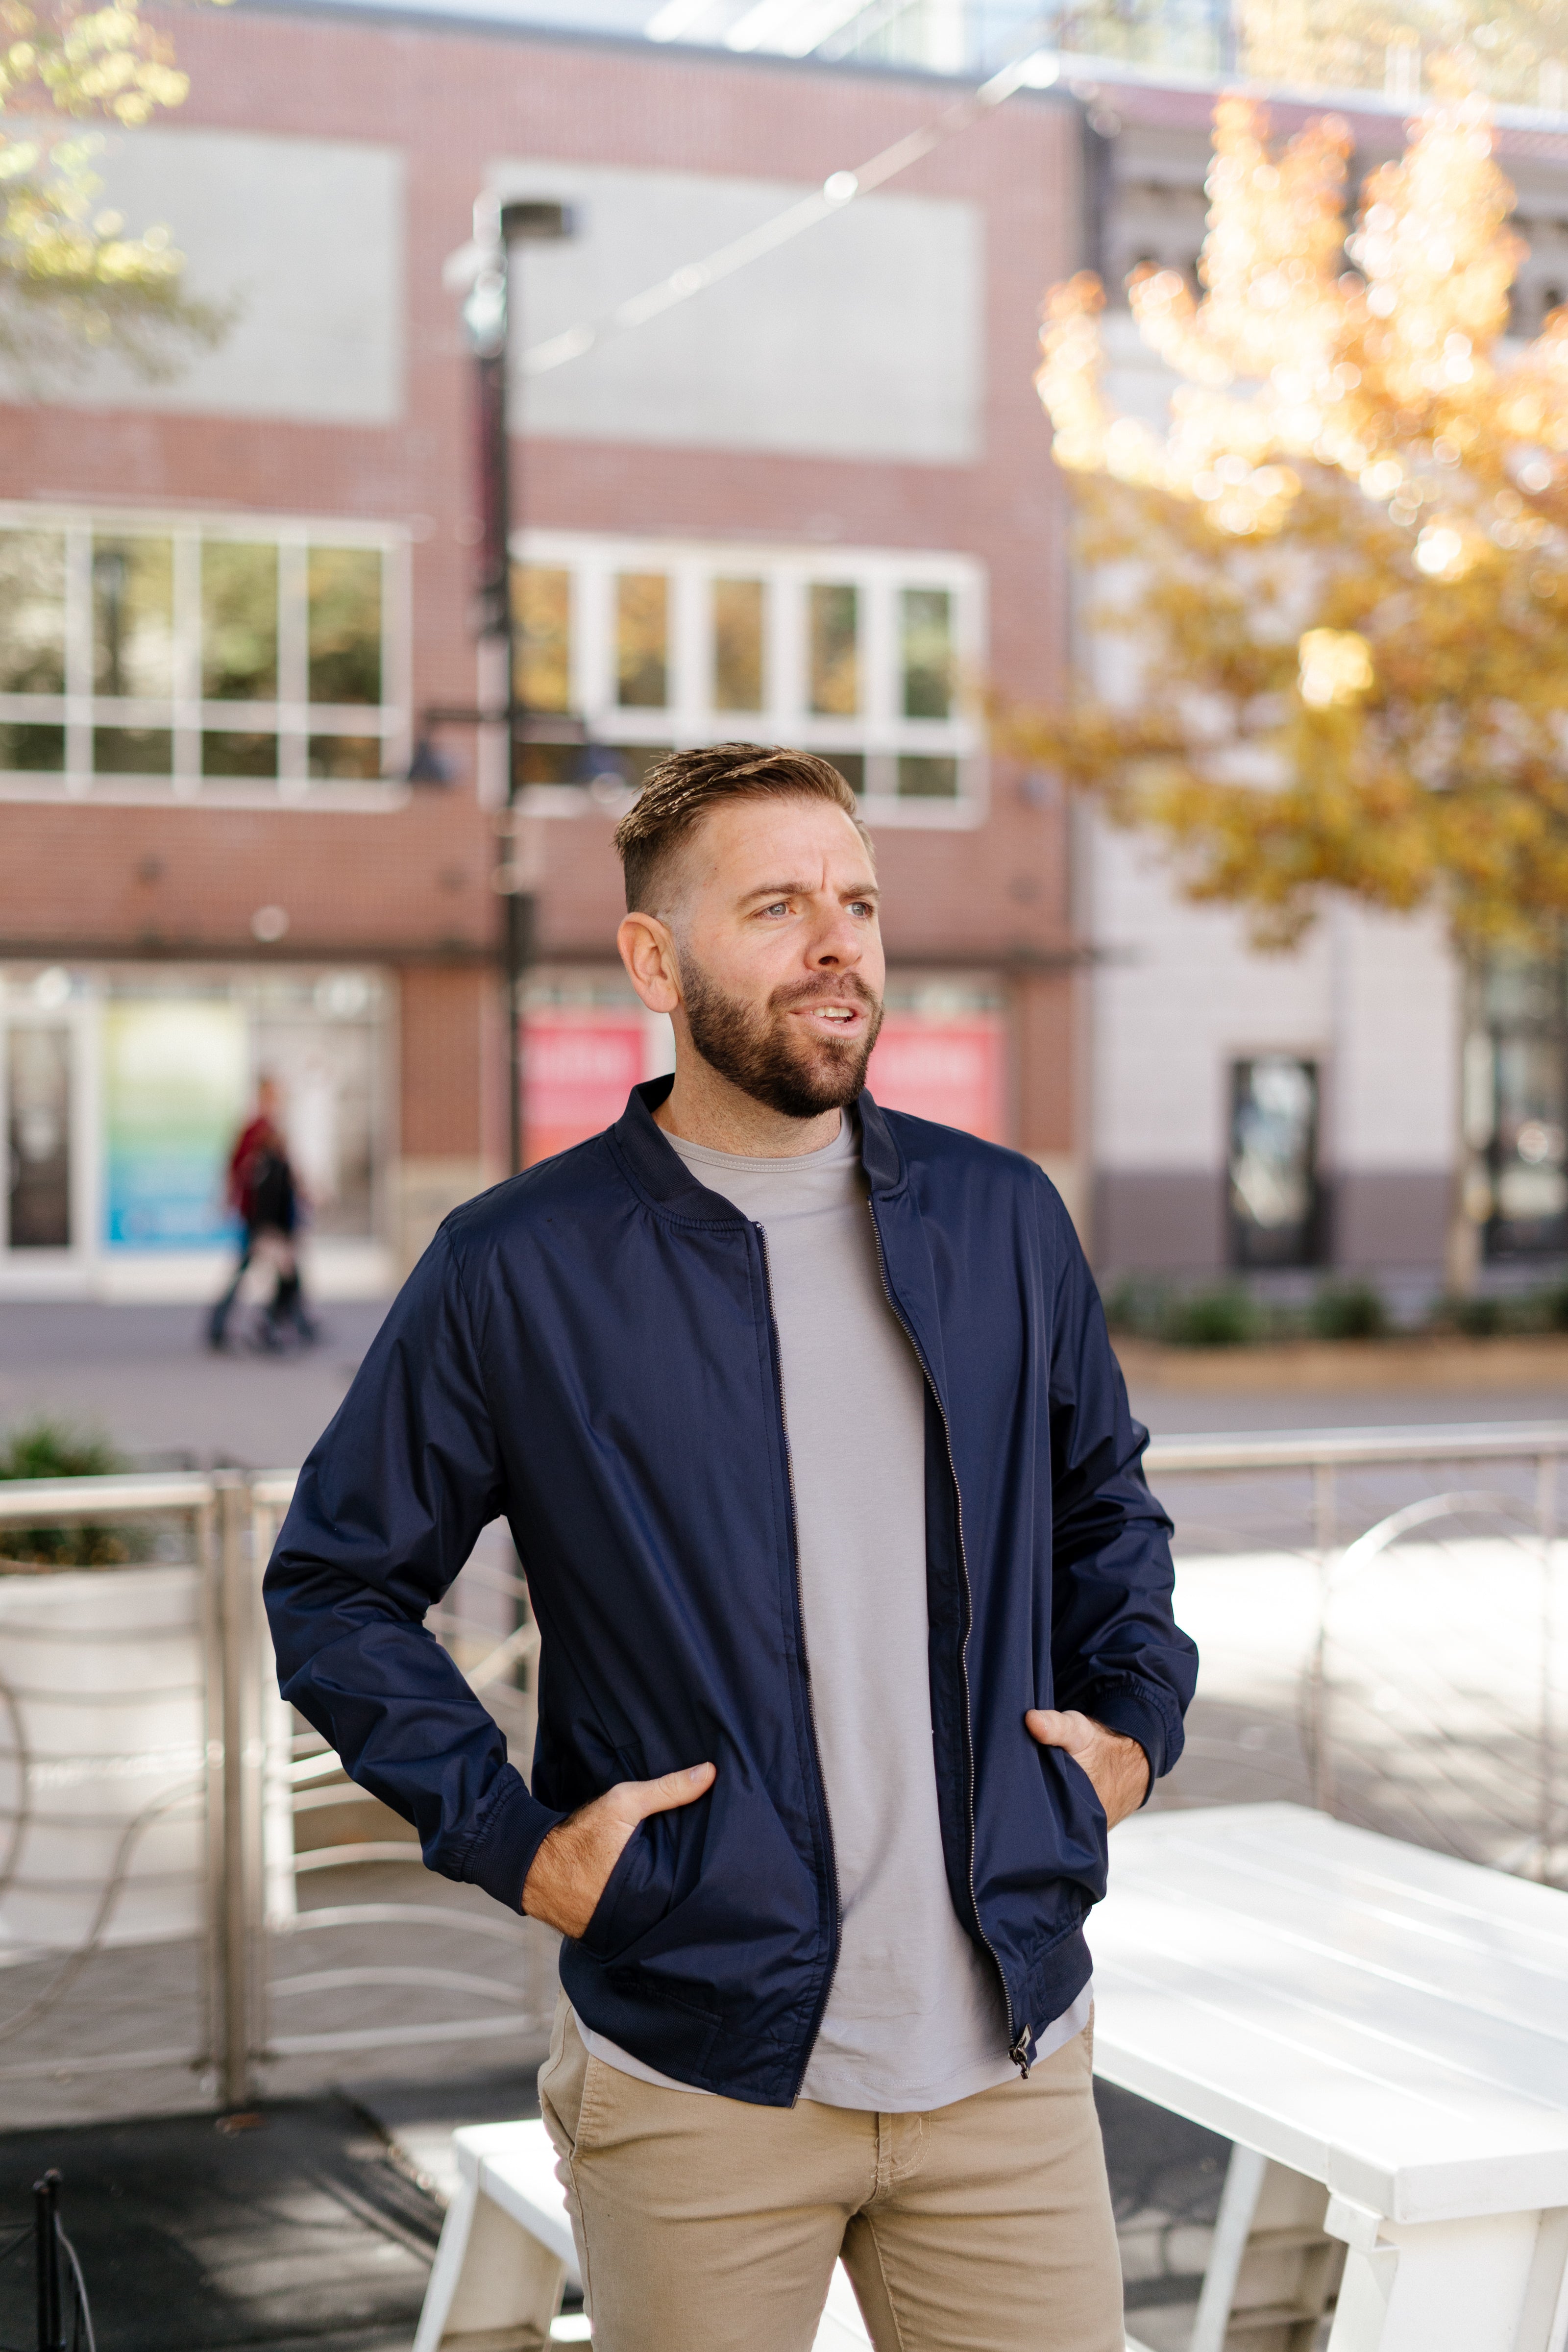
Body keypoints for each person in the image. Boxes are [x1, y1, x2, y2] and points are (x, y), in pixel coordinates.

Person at [265, 744, 1197, 2352]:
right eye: (777, 908)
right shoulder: (520, 1266)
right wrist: (512, 1838)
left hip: (1008, 2066)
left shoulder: (1001, 1221)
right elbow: (336, 1587)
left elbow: (1105, 1505)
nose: (839, 945)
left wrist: (1127, 1738)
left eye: (859, 905)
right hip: (699, 2077)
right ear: (655, 961)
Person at [208, 1078, 317, 1351]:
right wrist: (231, 1199)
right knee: (260, 1269)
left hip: (269, 1219)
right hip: (261, 1219)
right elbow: (241, 1170)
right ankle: (228, 1324)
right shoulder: (257, 1131)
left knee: (284, 1272)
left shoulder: (271, 1129)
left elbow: (287, 1176)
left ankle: (294, 1322)